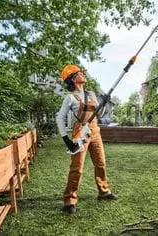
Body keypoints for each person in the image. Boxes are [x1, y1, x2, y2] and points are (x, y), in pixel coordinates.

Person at [57, 65, 117, 214]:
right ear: (73, 79)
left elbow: (99, 114)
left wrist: (104, 102)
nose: (83, 74)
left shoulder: (91, 94)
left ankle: (103, 191)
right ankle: (70, 199)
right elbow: (60, 118)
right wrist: (66, 140)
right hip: (80, 132)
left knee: (101, 163)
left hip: (95, 130)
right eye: (79, 73)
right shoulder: (70, 98)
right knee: (77, 167)